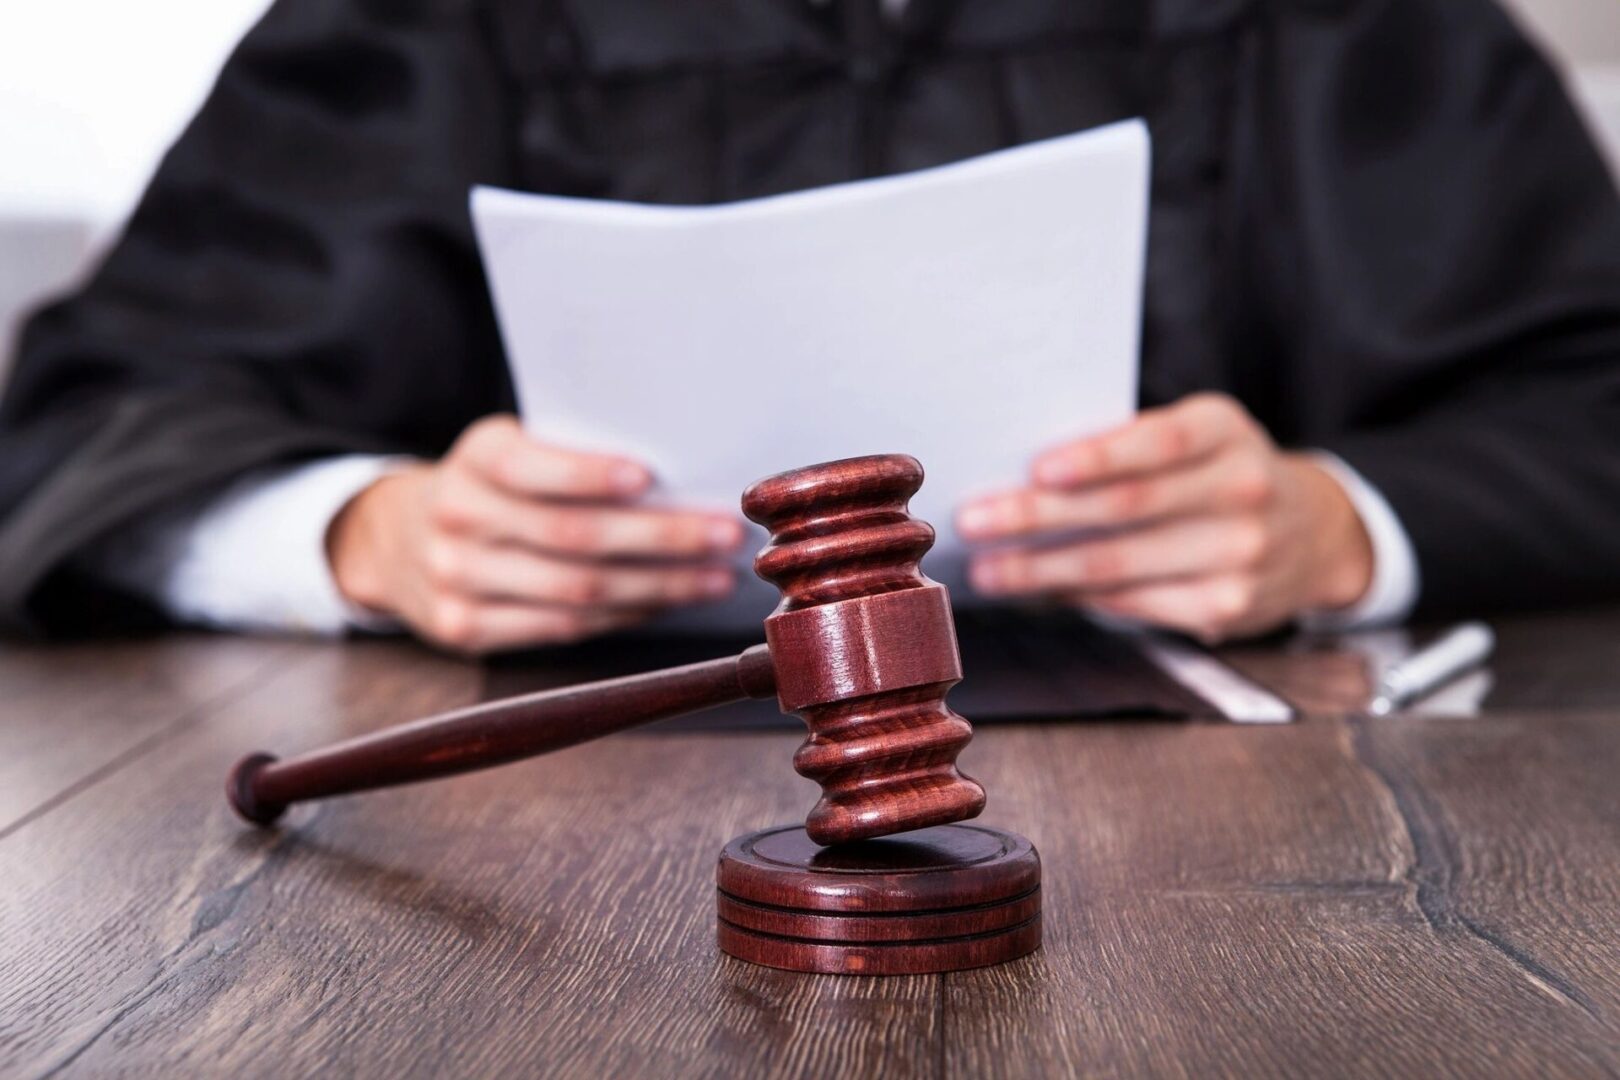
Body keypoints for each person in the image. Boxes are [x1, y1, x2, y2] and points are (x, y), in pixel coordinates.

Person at [3, 0, 1620, 653]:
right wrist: (364, 535)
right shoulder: (454, 15)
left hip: (1255, 848)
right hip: (560, 835)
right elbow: (95, 420)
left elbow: (1587, 394)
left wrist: (1337, 524)